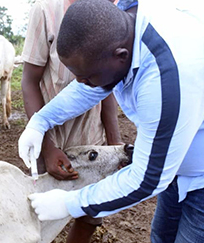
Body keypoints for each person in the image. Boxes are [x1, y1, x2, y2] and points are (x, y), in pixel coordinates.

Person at [18, 0, 204, 242]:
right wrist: (40, 122)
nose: (83, 83)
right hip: (177, 169)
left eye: (87, 77)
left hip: (199, 178)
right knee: (162, 236)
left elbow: (147, 179)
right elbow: (88, 88)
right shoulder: (123, 24)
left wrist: (71, 204)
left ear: (121, 56)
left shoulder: (165, 79)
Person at [20, 0, 126, 242]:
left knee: (90, 213)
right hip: (52, 136)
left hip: (91, 136)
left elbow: (108, 84)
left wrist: (114, 144)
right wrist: (47, 147)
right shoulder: (45, 11)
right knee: (43, 210)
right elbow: (29, 82)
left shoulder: (111, 10)